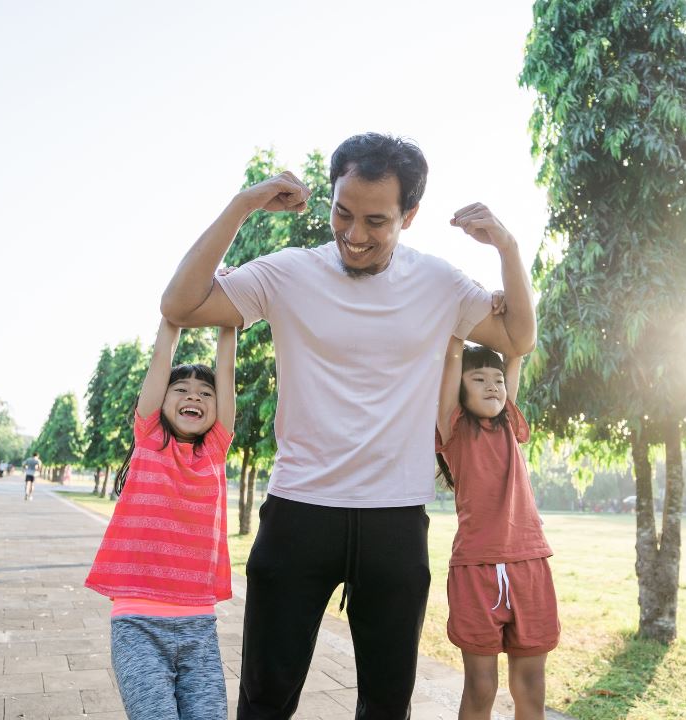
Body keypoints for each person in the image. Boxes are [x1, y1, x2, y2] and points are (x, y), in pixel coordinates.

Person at [161, 132, 536, 719]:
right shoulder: (288, 273)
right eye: (342, 212)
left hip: (396, 521)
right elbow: (180, 305)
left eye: (376, 221)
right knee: (263, 701)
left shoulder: (439, 284)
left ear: (409, 216)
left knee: (387, 707)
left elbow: (517, 338)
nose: (354, 235)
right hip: (299, 510)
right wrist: (242, 205)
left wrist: (508, 249)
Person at [83, 318, 237, 720]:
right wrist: (174, 317)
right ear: (162, 401)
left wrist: (229, 322)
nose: (194, 396)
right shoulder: (150, 438)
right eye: (181, 389)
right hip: (137, 624)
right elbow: (159, 359)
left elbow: (226, 373)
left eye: (206, 393)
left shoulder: (215, 451)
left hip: (198, 628)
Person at [436, 339, 558, 720]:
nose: (493, 386)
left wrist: (513, 350)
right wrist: (456, 334)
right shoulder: (451, 429)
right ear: (459, 388)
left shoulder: (509, 425)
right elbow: (451, 359)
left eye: (498, 379)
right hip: (477, 569)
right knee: (481, 685)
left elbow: (517, 351)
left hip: (529, 562)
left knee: (531, 685)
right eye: (478, 378)